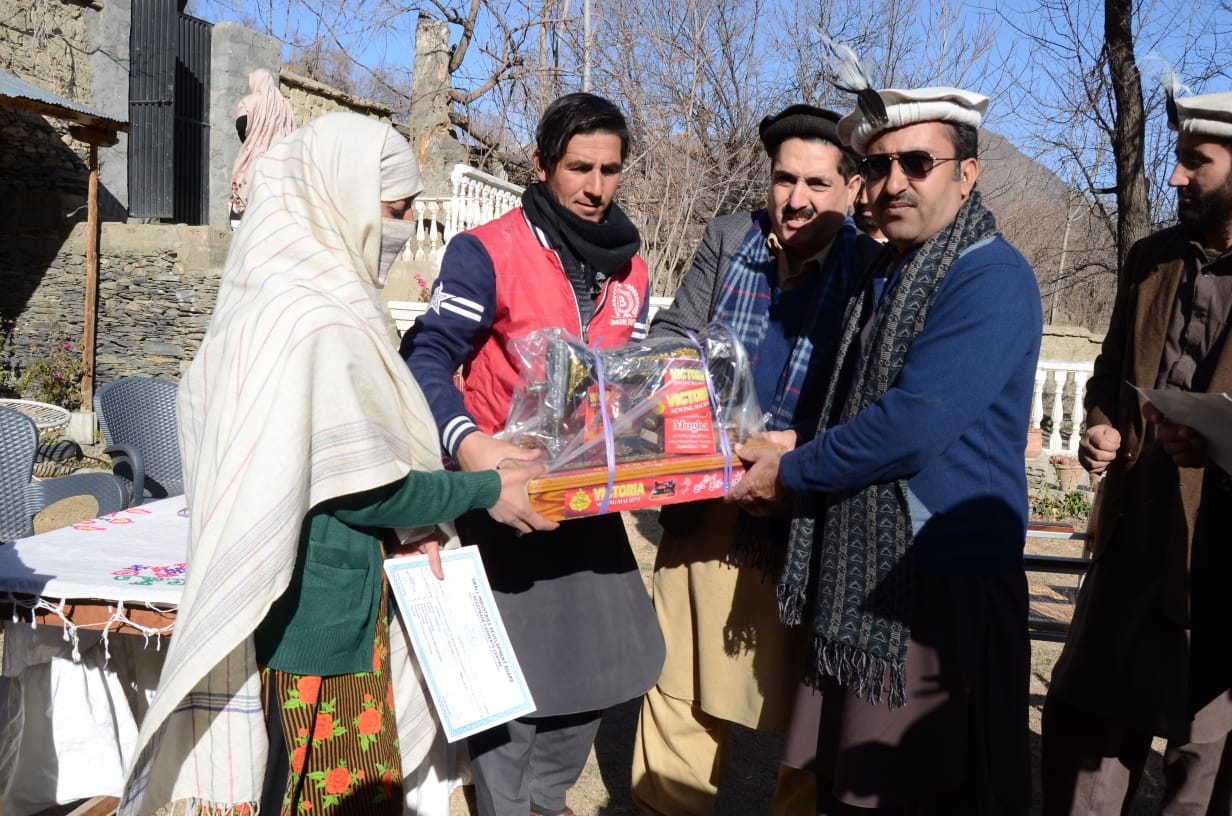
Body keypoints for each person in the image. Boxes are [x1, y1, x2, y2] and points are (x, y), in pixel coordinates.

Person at [119, 112, 556, 816]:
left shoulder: (284, 298)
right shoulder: (311, 318)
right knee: (330, 796)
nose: (405, 226)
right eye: (396, 209)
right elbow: (361, 486)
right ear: (343, 197)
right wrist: (484, 489)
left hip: (325, 604)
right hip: (317, 626)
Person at [729, 79, 1042, 814]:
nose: (894, 182)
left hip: (938, 589)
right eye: (878, 165)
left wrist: (794, 469)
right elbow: (861, 407)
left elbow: (910, 423)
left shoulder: (990, 277)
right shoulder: (889, 269)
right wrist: (801, 442)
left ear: (967, 173)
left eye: (917, 163)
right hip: (870, 578)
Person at [400, 92, 665, 816]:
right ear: (543, 165)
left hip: (586, 507)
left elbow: (628, 385)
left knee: (587, 687)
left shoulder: (632, 270)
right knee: (508, 702)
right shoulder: (486, 251)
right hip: (502, 503)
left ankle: (547, 804)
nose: (596, 186)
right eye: (580, 167)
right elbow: (426, 358)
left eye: (610, 169)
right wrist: (471, 447)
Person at [630, 104, 880, 816]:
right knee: (677, 686)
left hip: (803, 521)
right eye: (783, 179)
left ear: (853, 188)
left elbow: (869, 392)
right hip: (707, 498)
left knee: (807, 716)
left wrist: (794, 455)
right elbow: (675, 331)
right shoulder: (727, 237)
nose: (796, 199)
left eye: (817, 184)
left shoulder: (870, 266)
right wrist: (697, 395)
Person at [1041, 87, 1232, 815]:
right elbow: (1110, 369)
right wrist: (1100, 423)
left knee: (1202, 767)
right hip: (1133, 541)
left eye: (1196, 161)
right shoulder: (1150, 260)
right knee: (1087, 737)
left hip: (1220, 567)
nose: (1176, 176)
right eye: (1176, 158)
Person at [229, 67, 295, 219]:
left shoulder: (251, 101)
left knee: (244, 188)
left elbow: (241, 123)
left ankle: (239, 225)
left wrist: (249, 141)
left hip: (256, 156)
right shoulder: (285, 105)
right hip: (280, 158)